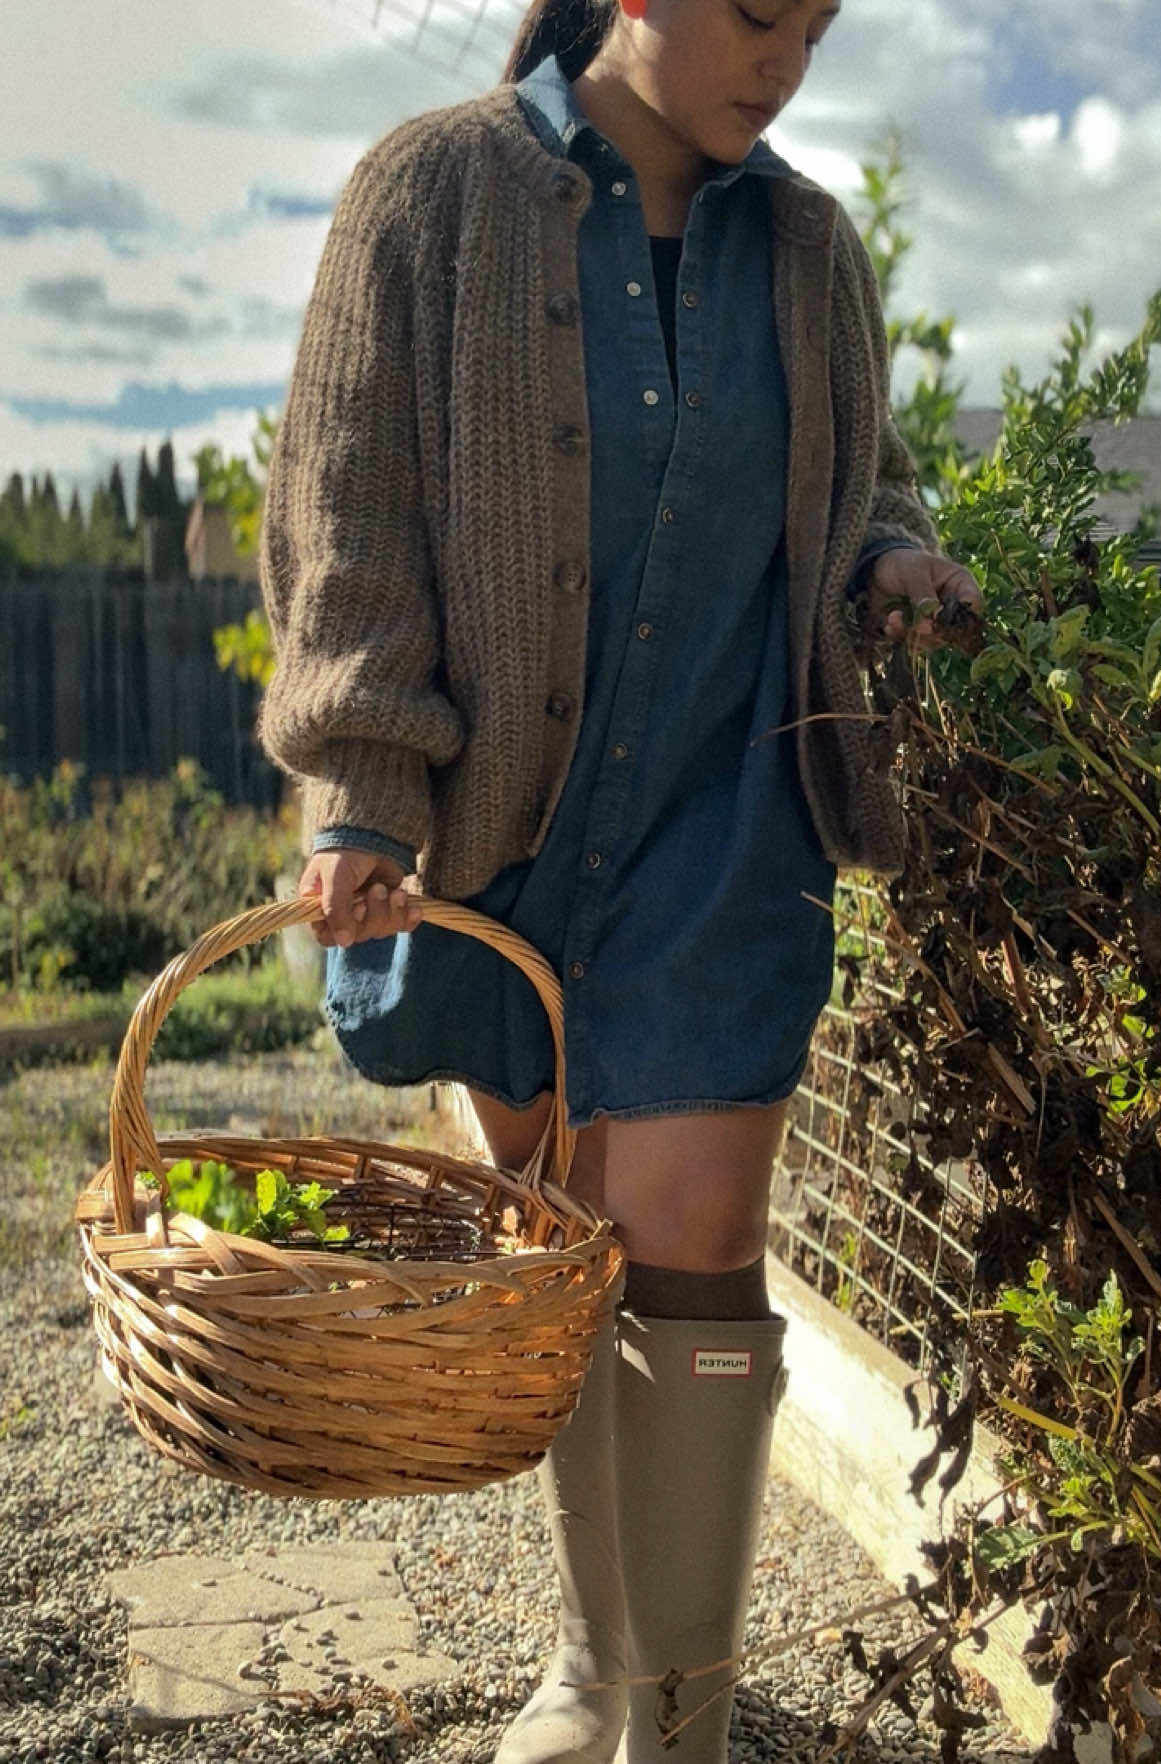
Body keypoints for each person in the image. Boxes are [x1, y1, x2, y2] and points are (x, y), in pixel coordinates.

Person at [257, 0, 982, 1758]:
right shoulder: (426, 192)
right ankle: (594, 1672)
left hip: (727, 821)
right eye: (757, 14)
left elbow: (861, 477)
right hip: (497, 822)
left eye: (816, 28)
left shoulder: (810, 246)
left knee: (700, 1238)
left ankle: (684, 1720)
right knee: (570, 1234)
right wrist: (361, 786)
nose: (784, 62)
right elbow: (343, 505)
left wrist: (893, 554)